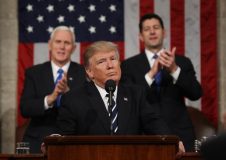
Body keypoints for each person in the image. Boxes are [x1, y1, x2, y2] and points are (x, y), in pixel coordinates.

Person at [55, 41, 185, 153]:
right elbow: (64, 140)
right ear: (89, 72)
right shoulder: (73, 99)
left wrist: (171, 140)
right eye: (102, 61)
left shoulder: (135, 94)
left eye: (113, 59)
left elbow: (154, 123)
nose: (110, 65)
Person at [120, 13, 203, 151]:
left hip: (180, 133)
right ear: (140, 36)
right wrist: (151, 74)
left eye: (156, 27)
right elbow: (129, 99)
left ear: (164, 33)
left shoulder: (182, 62)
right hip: (144, 134)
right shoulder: (129, 65)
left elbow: (196, 93)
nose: (152, 31)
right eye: (147, 29)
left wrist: (174, 69)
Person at [20, 26, 87, 153]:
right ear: (50, 45)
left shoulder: (83, 73)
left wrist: (68, 94)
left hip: (73, 141)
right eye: (58, 42)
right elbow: (25, 108)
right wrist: (50, 99)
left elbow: (88, 110)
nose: (62, 47)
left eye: (66, 43)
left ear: (73, 48)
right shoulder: (34, 73)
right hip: (38, 140)